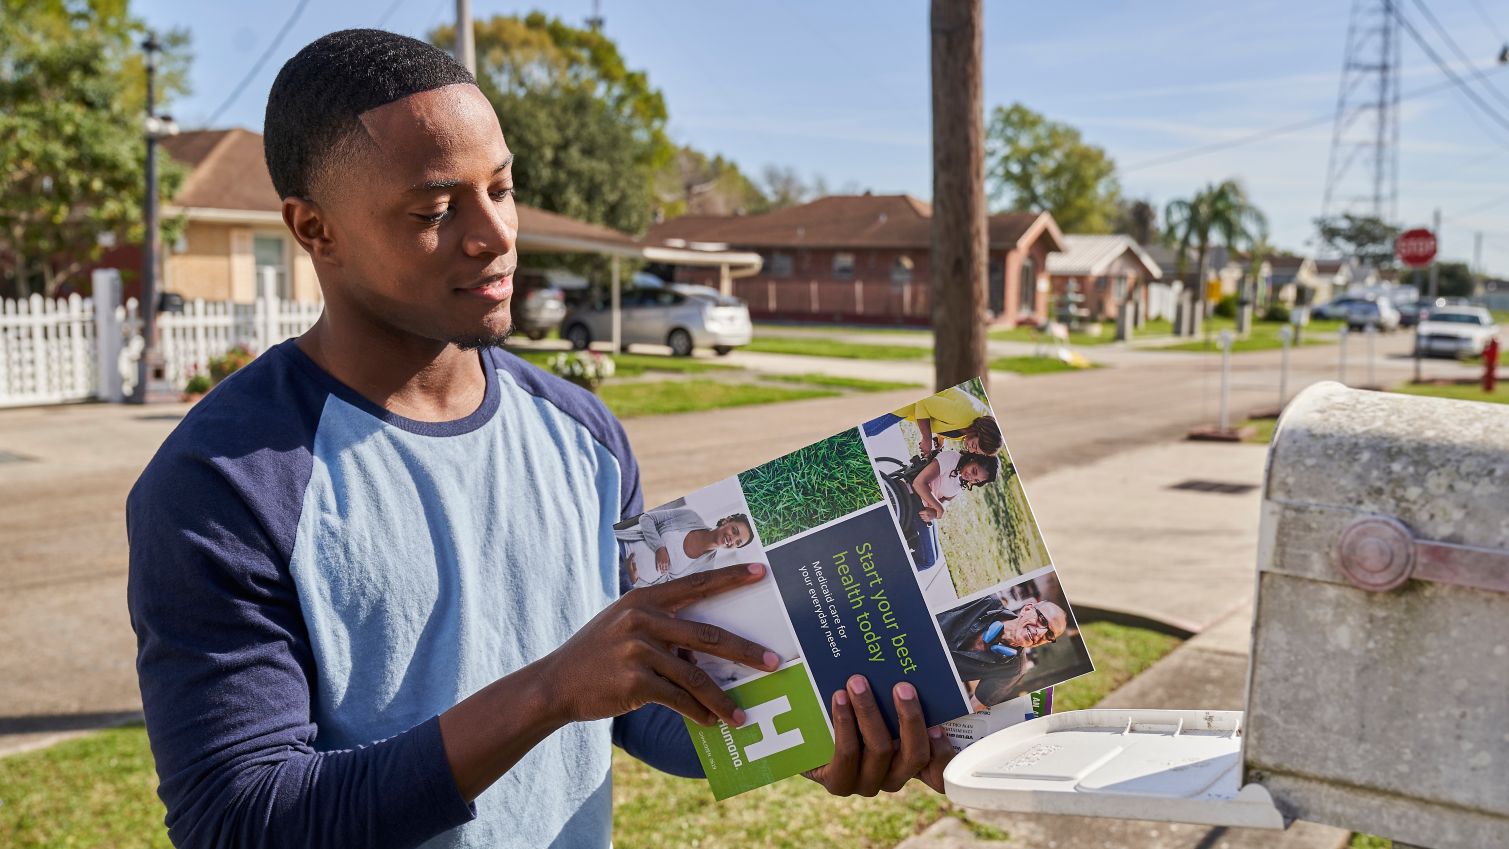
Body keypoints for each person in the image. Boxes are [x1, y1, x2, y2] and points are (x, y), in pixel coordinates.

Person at [125, 30, 952, 849]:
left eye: (502, 187)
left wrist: (812, 732)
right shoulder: (221, 484)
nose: (495, 234)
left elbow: (633, 705)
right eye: (436, 210)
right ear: (315, 230)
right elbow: (238, 820)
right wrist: (549, 689)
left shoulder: (583, 433)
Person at [936, 594, 1067, 710]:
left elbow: (974, 707)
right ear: (1027, 609)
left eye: (1049, 635)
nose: (1040, 633)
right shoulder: (984, 599)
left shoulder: (1014, 670)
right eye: (1042, 620)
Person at [616, 506, 754, 586]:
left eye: (738, 542)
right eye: (734, 531)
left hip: (625, 582)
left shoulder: (706, 569)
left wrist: (635, 581)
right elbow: (646, 519)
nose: (732, 539)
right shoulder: (690, 516)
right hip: (620, 547)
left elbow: (667, 590)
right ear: (727, 520)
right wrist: (659, 547)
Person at [862, 385, 1003, 458]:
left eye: (976, 451)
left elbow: (946, 421)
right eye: (974, 445)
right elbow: (923, 402)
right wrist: (927, 438)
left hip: (910, 409)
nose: (970, 449)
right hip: (906, 404)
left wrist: (940, 440)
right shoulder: (963, 414)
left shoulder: (970, 429)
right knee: (868, 430)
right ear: (980, 432)